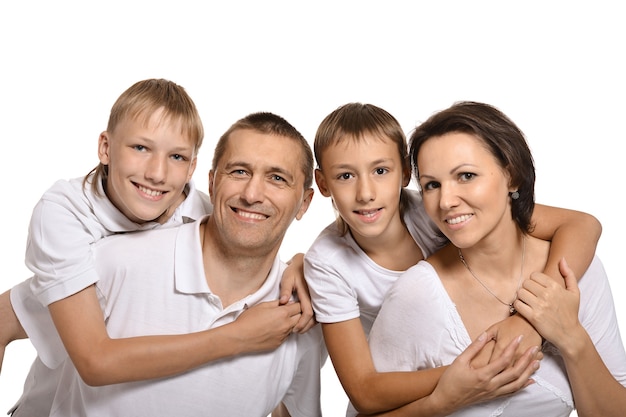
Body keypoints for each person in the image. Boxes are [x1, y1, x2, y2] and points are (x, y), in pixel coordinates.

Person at [0, 79, 313, 415]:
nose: (157, 173)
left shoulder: (199, 213)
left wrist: (302, 264)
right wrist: (236, 337)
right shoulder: (67, 219)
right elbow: (87, 357)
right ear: (105, 147)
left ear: (193, 169)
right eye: (140, 148)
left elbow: (250, 236)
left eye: (176, 156)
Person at [303, 102, 603, 416]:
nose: (366, 193)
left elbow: (582, 224)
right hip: (398, 383)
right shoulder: (327, 262)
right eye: (346, 175)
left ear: (406, 172)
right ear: (323, 183)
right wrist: (462, 378)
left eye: (381, 171)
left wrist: (535, 316)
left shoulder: (439, 208)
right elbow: (365, 391)